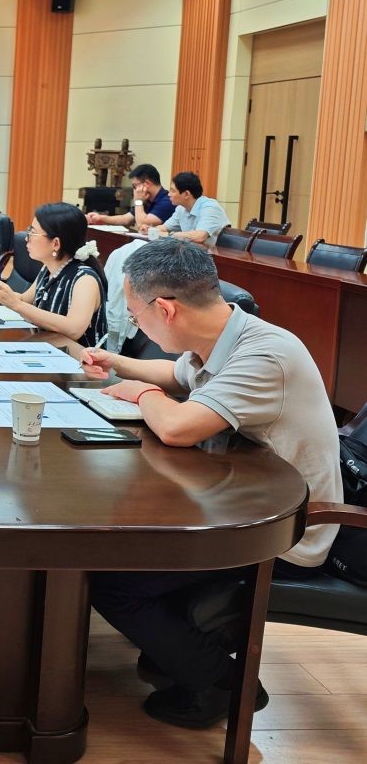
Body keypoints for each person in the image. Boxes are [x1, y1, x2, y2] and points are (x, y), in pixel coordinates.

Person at [80, 238, 343, 729]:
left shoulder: (264, 354)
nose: (136, 326)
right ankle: (177, 650)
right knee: (119, 546)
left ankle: (224, 684)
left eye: (136, 316)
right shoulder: (225, 333)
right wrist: (116, 365)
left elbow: (177, 427)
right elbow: (175, 375)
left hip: (284, 531)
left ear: (165, 309)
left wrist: (143, 393)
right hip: (238, 502)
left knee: (115, 582)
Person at [0, 202, 107, 347]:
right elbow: (23, 299)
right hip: (48, 350)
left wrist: (17, 305)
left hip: (78, 360)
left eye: (33, 232)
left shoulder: (85, 279)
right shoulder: (48, 269)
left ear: (55, 243)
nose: (27, 238)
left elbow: (74, 329)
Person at [148, 171, 232, 245]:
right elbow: (166, 228)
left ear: (186, 194)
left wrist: (169, 235)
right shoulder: (181, 208)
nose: (169, 194)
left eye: (173, 191)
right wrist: (150, 229)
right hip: (194, 253)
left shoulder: (210, 207)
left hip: (217, 255)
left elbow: (199, 236)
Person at [86, 164, 175, 229]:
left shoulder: (167, 201)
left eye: (135, 186)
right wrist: (100, 217)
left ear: (147, 183)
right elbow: (126, 219)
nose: (134, 190)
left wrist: (138, 201)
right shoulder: (145, 199)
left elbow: (142, 224)